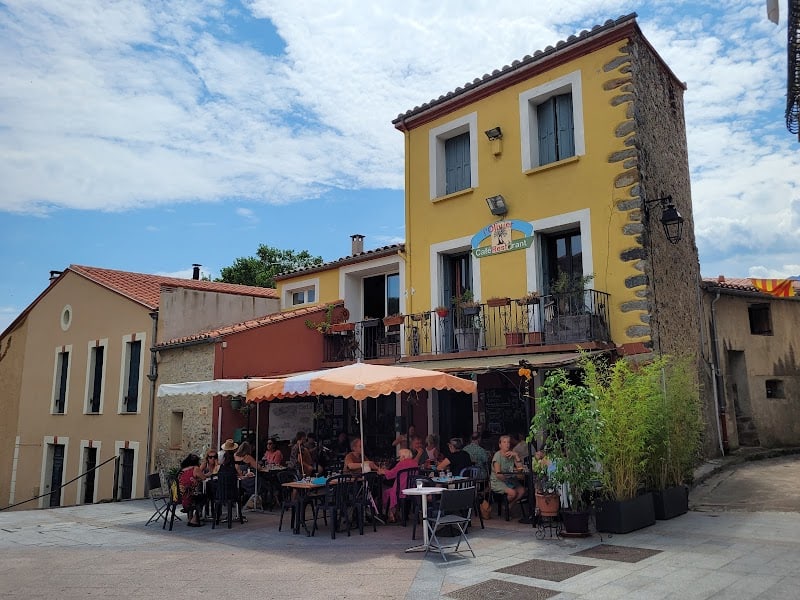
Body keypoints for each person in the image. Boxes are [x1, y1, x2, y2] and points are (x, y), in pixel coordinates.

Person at [379, 448, 418, 522]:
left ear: (403, 457)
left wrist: (382, 471)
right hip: (411, 488)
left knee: (387, 492)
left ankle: (391, 513)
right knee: (390, 491)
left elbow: (391, 474)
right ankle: (396, 513)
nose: (399, 458)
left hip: (400, 489)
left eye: (400, 456)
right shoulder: (415, 463)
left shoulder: (401, 464)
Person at [490, 435, 525, 506]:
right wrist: (508, 483)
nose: (507, 444)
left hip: (510, 479)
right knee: (513, 493)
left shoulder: (512, 454)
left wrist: (516, 456)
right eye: (504, 442)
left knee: (522, 491)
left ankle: (509, 507)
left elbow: (520, 469)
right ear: (500, 445)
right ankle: (505, 506)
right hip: (498, 481)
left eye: (508, 442)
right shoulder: (497, 456)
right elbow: (498, 474)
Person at [178, 453, 206, 527]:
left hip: (180, 497)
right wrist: (209, 473)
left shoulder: (182, 470)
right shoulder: (195, 468)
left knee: (193, 493)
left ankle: (190, 518)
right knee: (203, 497)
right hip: (188, 497)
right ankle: (194, 519)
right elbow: (204, 478)